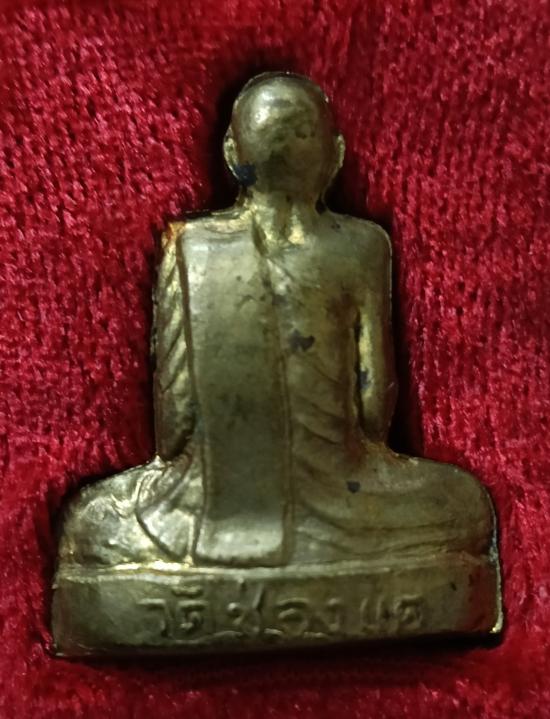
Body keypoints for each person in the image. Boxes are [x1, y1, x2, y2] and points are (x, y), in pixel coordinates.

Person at [58, 72, 494, 570]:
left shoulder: (189, 248)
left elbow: (174, 428)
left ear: (232, 154)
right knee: (463, 507)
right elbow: (373, 413)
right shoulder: (361, 247)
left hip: (204, 512)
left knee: (92, 522)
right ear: (335, 155)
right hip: (344, 505)